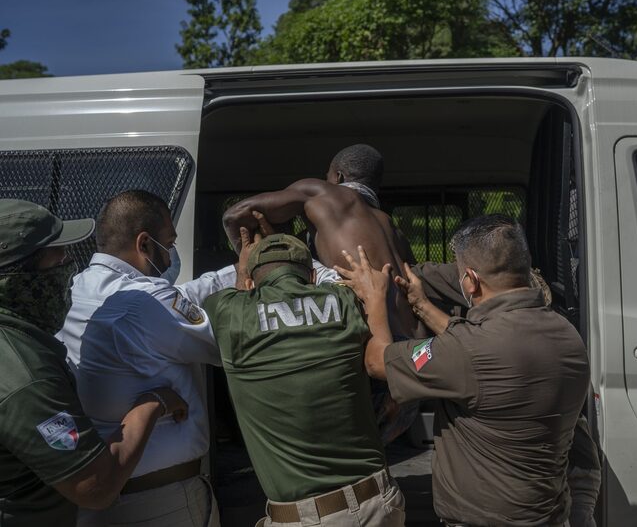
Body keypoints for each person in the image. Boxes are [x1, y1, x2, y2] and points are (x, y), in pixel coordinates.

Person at [335, 214, 590, 526]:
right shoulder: (567, 335)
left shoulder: (467, 351)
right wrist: (422, 306)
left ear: (470, 280)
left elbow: (377, 361)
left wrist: (373, 298)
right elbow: (477, 348)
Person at [0, 199, 187, 527]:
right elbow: (95, 486)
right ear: (19, 276)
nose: (69, 267)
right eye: (58, 258)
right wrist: (152, 404)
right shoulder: (26, 376)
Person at [57, 190, 237, 527]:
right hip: (161, 504)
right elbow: (230, 344)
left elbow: (176, 299)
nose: (170, 255)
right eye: (169, 243)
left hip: (107, 498)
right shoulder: (143, 302)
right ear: (144, 244)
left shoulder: (78, 288)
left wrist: (235, 271)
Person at [223, 143, 424, 443]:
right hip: (409, 365)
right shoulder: (393, 230)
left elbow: (234, 215)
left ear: (337, 176)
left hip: (367, 358)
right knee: (370, 456)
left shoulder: (321, 193)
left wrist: (255, 263)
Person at [203, 231, 404, 527]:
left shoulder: (227, 311)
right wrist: (375, 298)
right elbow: (378, 360)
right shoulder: (343, 300)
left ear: (249, 283)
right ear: (311, 276)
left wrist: (243, 271)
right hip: (377, 502)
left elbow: (238, 300)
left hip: (307, 518)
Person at [410, 261, 602, 527]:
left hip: (563, 483)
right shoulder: (555, 341)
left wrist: (422, 307)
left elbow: (472, 346)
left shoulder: (515, 346)